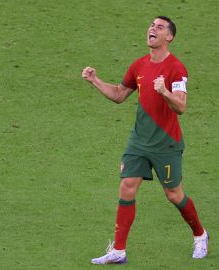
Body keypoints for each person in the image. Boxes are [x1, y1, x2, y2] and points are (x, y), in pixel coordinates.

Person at [81, 16, 208, 264]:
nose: (152, 29)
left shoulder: (176, 68)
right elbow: (119, 95)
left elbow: (181, 106)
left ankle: (200, 235)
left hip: (166, 143)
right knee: (127, 186)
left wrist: (164, 91)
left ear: (169, 37)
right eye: (151, 25)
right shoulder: (139, 65)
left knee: (173, 194)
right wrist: (95, 80)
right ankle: (118, 250)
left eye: (159, 27)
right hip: (138, 141)